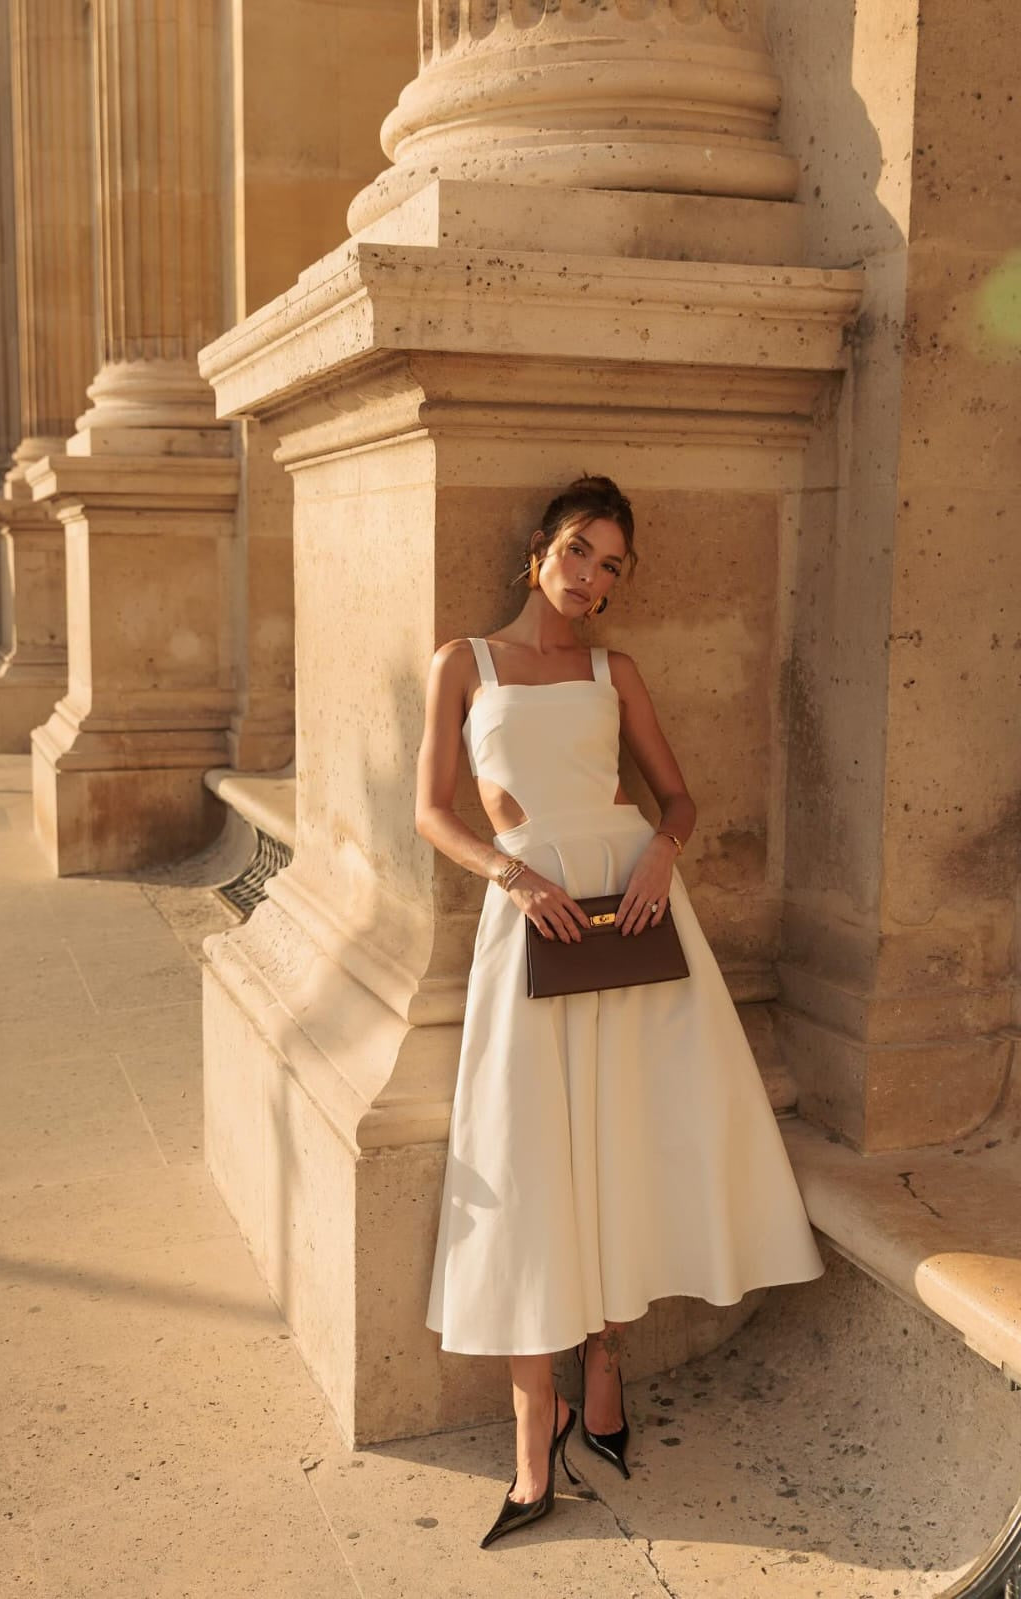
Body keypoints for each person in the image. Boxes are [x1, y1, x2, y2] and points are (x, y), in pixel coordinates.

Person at [414, 474, 825, 1549]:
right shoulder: (465, 663)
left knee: (621, 1137)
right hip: (530, 917)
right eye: (580, 551)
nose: (592, 577)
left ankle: (604, 1359)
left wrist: (661, 849)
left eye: (612, 566)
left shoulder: (613, 669)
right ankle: (530, 1434)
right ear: (539, 548)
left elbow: (678, 796)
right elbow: (431, 812)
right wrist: (510, 878)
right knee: (532, 1147)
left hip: (634, 911)